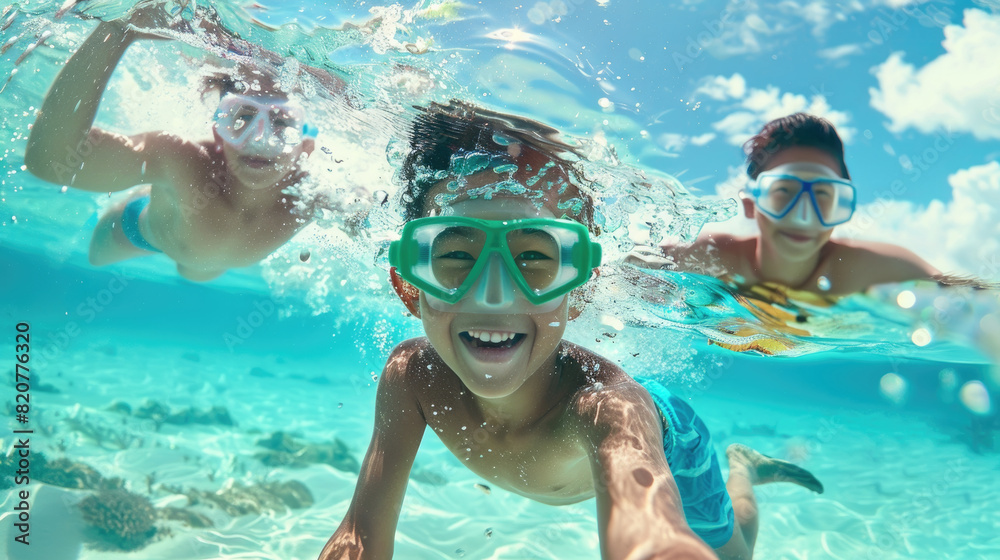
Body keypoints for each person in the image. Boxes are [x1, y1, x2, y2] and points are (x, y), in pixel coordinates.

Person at [318, 101, 822, 560]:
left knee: (737, 554)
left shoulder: (607, 411)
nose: (493, 296)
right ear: (410, 286)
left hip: (670, 435)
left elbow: (653, 539)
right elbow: (361, 533)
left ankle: (744, 470)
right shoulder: (411, 379)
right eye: (454, 256)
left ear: (578, 291)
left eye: (534, 257)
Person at [24, 5, 326, 281]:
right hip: (138, 232)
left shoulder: (315, 196)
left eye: (283, 123)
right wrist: (117, 31)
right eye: (243, 118)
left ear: (305, 147)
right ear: (219, 133)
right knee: (94, 260)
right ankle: (148, 195)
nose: (260, 139)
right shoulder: (180, 162)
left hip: (204, 260)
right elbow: (50, 161)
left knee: (198, 271)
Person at [630, 113, 941, 295]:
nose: (804, 216)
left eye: (823, 197)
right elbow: (622, 272)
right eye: (784, 194)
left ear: (841, 208)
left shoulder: (876, 270)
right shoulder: (707, 258)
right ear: (752, 205)